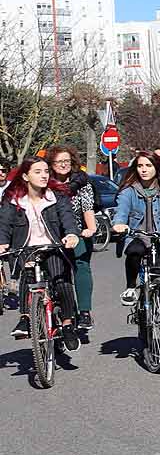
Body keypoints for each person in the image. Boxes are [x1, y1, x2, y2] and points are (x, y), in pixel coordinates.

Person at [0, 156, 82, 341]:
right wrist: (2, 242)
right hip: (26, 248)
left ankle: (68, 324)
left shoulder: (57, 197)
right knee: (28, 275)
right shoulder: (13, 200)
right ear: (26, 176)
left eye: (46, 171)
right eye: (37, 172)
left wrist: (71, 234)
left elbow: (67, 217)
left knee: (61, 281)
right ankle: (25, 318)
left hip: (53, 247)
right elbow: (4, 224)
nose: (44, 176)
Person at [112, 151, 160, 306]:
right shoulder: (129, 191)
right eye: (140, 166)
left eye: (148, 165)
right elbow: (121, 209)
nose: (144, 169)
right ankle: (131, 287)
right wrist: (119, 223)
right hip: (137, 235)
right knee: (134, 252)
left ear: (156, 168)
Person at [47, 146, 97, 341]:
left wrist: (90, 228)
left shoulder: (81, 183)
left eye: (67, 160)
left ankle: (84, 312)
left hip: (77, 231)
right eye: (59, 161)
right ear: (51, 164)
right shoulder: (46, 184)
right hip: (52, 233)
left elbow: (87, 208)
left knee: (81, 264)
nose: (64, 164)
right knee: (58, 274)